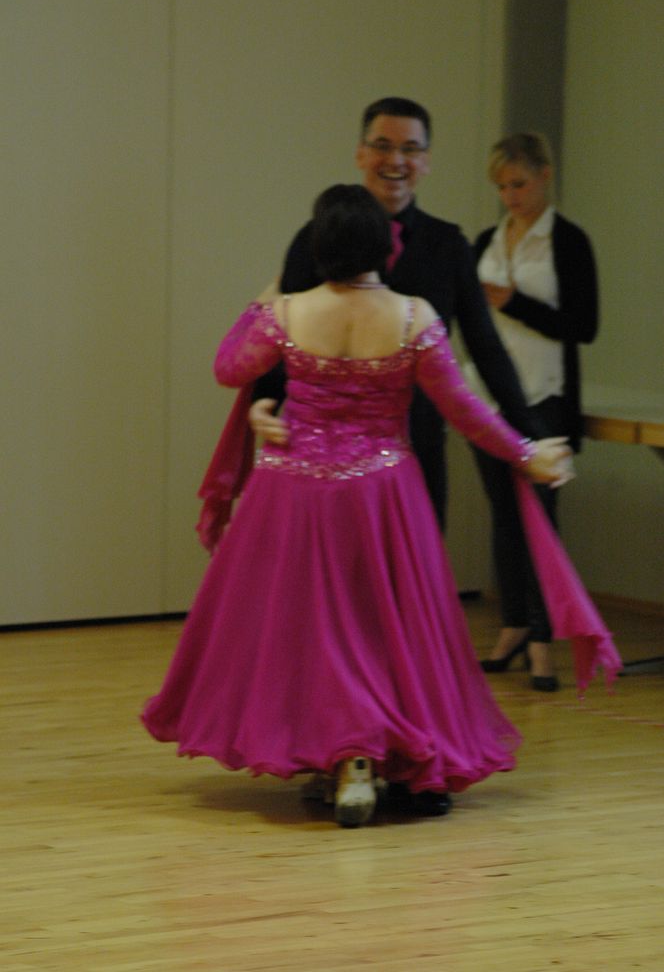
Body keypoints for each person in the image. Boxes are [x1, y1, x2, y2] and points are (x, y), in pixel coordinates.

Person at [141, 185, 618, 829]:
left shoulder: (286, 313)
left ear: (321, 247)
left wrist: (264, 298)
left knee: (311, 631)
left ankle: (341, 757)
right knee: (385, 629)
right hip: (382, 491)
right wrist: (525, 452)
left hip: (294, 493)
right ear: (383, 247)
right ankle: (365, 757)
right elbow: (463, 409)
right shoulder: (413, 317)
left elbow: (230, 368)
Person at [250, 97, 541, 528]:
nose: (396, 161)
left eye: (410, 149)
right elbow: (277, 336)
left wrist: (528, 436)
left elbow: (485, 346)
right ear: (360, 153)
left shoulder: (448, 245)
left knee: (415, 562)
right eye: (383, 146)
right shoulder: (315, 238)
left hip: (418, 448)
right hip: (318, 462)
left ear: (426, 161)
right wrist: (263, 404)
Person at [474, 133, 599, 691]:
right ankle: (515, 627)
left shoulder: (568, 242)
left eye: (519, 184)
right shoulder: (486, 240)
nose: (510, 196)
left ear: (545, 176)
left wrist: (513, 302)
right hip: (488, 398)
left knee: (540, 519)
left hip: (545, 397)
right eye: (502, 187)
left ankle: (545, 640)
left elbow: (584, 327)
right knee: (503, 516)